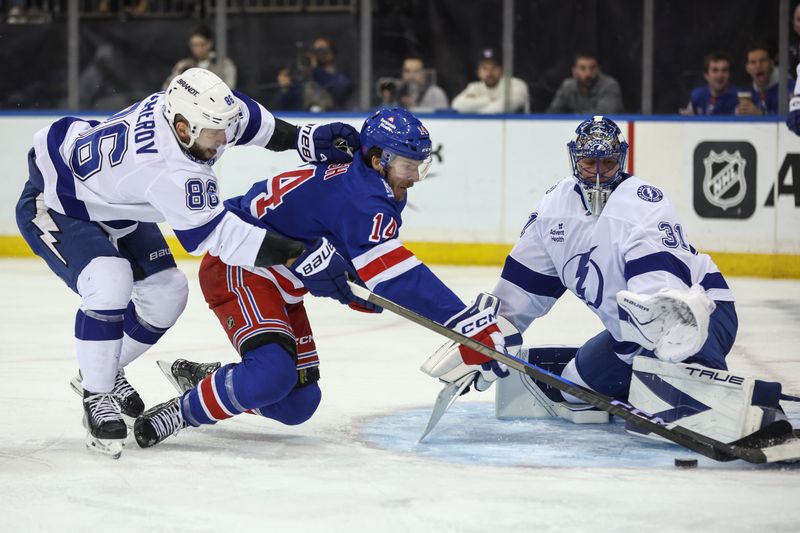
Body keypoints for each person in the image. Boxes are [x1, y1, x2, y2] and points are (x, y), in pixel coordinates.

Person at [14, 67, 363, 458]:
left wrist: (302, 138)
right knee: (110, 279)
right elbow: (221, 238)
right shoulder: (169, 170)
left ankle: (104, 370)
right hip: (58, 203)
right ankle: (96, 395)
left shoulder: (188, 115)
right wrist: (299, 254)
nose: (222, 142)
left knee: (169, 293)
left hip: (108, 199)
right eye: (214, 135)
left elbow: (243, 118)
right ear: (182, 129)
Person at [132, 108, 507, 449]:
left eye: (419, 166)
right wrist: (462, 322)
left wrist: (352, 281)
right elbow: (396, 275)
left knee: (298, 403)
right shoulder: (363, 197)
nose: (415, 177)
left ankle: (212, 381)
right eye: (409, 166)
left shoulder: (375, 183)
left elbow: (350, 249)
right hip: (240, 267)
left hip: (283, 280)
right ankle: (182, 412)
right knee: (271, 377)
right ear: (379, 159)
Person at [423, 116, 738, 416]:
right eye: (590, 163)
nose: (599, 174)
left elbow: (662, 299)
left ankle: (695, 390)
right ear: (575, 161)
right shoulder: (554, 208)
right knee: (575, 389)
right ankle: (651, 389)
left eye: (608, 163)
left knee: (687, 397)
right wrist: (487, 335)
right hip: (628, 337)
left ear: (621, 161)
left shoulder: (644, 203)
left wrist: (675, 364)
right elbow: (522, 292)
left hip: (696, 319)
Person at [452, 48, 530, 114]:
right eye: (484, 68)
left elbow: (504, 107)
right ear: (478, 72)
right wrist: (488, 100)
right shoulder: (474, 87)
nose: (489, 73)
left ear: (502, 70)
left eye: (494, 68)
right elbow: (457, 105)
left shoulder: (516, 84)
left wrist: (475, 110)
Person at [163, 25, 237, 90]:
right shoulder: (183, 66)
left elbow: (229, 89)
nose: (198, 49)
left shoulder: (224, 64)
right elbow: (168, 87)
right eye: (194, 45)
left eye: (202, 44)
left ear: (210, 43)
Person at [546, 53, 624, 114]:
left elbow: (605, 116)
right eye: (583, 68)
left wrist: (572, 117)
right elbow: (553, 113)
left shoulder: (610, 85)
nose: (588, 73)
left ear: (598, 70)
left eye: (592, 68)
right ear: (574, 71)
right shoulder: (567, 86)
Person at [737, 41, 792, 116]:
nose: (758, 66)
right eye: (753, 62)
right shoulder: (745, 92)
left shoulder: (789, 88)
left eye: (763, 61)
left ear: (772, 64)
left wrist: (761, 115)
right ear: (747, 68)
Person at [380, 56, 449, 112]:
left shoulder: (436, 93)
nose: (411, 75)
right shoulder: (396, 90)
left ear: (424, 73)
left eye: (416, 71)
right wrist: (388, 100)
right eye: (407, 71)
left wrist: (413, 107)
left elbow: (442, 118)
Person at [681, 51, 738, 115]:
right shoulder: (698, 95)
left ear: (730, 75)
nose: (720, 75)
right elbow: (688, 119)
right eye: (715, 70)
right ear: (706, 75)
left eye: (724, 70)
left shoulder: (738, 98)